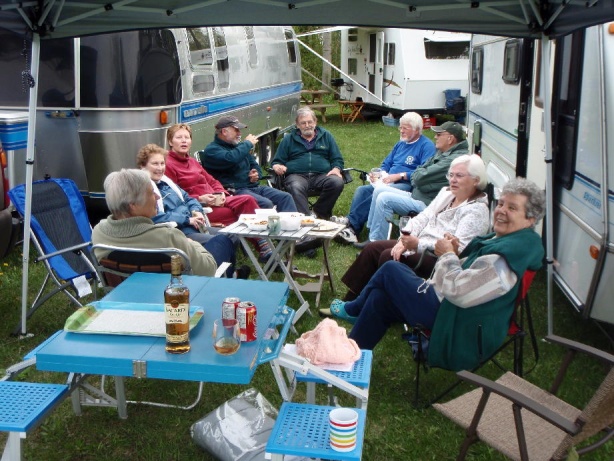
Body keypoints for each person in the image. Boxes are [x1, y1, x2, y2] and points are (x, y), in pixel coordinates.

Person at [327, 177, 545, 372]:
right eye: (501, 204)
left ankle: (354, 309)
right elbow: (472, 274)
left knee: (391, 269)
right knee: (380, 299)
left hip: (458, 322)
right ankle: (348, 357)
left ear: (530, 219)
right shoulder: (514, 242)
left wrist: (448, 255)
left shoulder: (506, 258)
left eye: (512, 208)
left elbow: (459, 292)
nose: (501, 211)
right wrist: (456, 254)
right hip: (453, 308)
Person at [328, 154, 490, 303]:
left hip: (439, 261)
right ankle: (351, 301)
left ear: (476, 180)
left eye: (459, 176)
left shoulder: (476, 210)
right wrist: (402, 241)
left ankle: (378, 305)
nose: (453, 180)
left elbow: (459, 250)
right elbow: (423, 217)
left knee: (389, 256)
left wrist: (417, 244)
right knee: (372, 248)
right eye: (451, 175)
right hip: (418, 245)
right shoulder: (447, 194)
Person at [137, 143, 249, 279]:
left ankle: (227, 275)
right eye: (155, 164)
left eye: (162, 163)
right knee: (222, 240)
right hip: (178, 232)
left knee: (232, 236)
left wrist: (196, 210)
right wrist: (187, 219)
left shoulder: (167, 183)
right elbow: (155, 216)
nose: (160, 168)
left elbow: (188, 198)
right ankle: (206, 276)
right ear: (143, 166)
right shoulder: (145, 189)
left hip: (193, 225)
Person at [163, 123, 272, 262]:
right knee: (241, 214)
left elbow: (212, 180)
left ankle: (263, 245)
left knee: (247, 200)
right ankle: (263, 246)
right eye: (179, 137)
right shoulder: (168, 165)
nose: (184, 141)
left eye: (187, 137)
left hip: (216, 199)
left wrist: (221, 193)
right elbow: (175, 197)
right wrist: (200, 198)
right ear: (171, 142)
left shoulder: (192, 161)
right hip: (200, 208)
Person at [353, 120, 470, 245]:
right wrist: (416, 175)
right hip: (418, 194)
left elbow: (419, 177)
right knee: (379, 190)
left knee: (384, 199)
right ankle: (372, 232)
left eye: (439, 134)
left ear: (450, 139)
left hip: (428, 203)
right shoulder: (443, 153)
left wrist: (414, 175)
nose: (435, 137)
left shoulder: (452, 160)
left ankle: (376, 242)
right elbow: (419, 171)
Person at [332, 112, 436, 243]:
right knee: (362, 190)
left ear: (416, 130)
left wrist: (399, 176)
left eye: (405, 128)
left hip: (406, 184)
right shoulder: (401, 144)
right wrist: (379, 174)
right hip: (388, 180)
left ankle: (351, 225)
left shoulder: (426, 146)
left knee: (379, 191)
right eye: (400, 127)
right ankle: (353, 227)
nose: (401, 130)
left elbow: (423, 173)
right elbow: (386, 163)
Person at [92, 169, 217, 277]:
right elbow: (208, 270)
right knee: (222, 242)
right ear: (133, 205)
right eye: (152, 193)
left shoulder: (98, 233)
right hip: (173, 299)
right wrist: (192, 244)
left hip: (125, 298)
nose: (158, 197)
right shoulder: (168, 237)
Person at [200, 115, 297, 212]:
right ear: (224, 132)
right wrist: (247, 144)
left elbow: (254, 164)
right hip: (233, 190)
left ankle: (290, 225)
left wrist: (256, 174)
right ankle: (267, 226)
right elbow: (230, 159)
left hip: (252, 187)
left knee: (285, 197)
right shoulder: (212, 150)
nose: (239, 133)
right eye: (236, 130)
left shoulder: (238, 147)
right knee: (266, 203)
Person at [271, 107, 345, 220]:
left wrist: (336, 169)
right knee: (295, 186)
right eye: (303, 123)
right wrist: (277, 166)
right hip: (296, 176)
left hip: (322, 175)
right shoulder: (288, 139)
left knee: (337, 182)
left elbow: (337, 158)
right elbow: (277, 161)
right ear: (297, 125)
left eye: (310, 122)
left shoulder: (326, 136)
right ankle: (305, 219)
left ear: (315, 122)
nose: (307, 125)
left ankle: (319, 213)